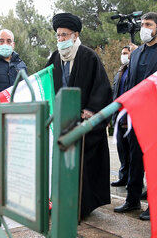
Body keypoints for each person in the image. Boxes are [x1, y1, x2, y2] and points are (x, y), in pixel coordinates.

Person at [113, 12, 157, 221]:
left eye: (148, 24)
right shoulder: (135, 54)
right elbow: (131, 85)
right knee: (135, 159)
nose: (144, 28)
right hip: (137, 116)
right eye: (142, 24)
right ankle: (132, 199)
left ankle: (156, 204)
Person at [45, 13, 112, 218]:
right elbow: (48, 86)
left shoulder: (88, 56)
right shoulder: (54, 58)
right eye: (58, 36)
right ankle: (60, 202)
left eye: (64, 35)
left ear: (75, 35)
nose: (61, 40)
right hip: (61, 123)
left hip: (83, 125)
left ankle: (82, 207)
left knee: (83, 168)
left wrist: (90, 111)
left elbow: (102, 88)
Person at [111, 44, 136, 187]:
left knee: (132, 152)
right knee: (122, 150)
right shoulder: (119, 73)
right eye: (122, 53)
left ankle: (132, 180)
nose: (123, 55)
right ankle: (123, 177)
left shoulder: (134, 71)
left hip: (130, 116)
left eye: (126, 53)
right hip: (118, 116)